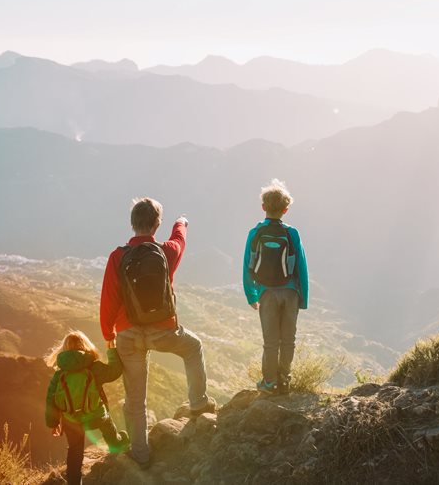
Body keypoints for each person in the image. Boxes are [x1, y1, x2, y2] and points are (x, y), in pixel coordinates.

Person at [100, 197, 215, 469]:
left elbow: (109, 299)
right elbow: (180, 239)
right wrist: (181, 222)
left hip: (127, 334)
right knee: (193, 348)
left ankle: (140, 454)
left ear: (132, 224)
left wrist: (108, 335)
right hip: (163, 329)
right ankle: (198, 402)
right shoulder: (165, 252)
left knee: (135, 399)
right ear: (156, 224)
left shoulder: (118, 256)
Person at [243, 179, 309, 395]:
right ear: (286, 209)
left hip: (266, 292)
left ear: (263, 207)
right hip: (290, 293)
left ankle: (269, 383)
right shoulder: (293, 233)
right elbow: (301, 266)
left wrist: (251, 295)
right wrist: (303, 297)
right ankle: (285, 381)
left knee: (270, 341)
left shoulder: (255, 233)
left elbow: (247, 266)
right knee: (288, 339)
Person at [44, 330, 130, 485]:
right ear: (86, 346)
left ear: (64, 349)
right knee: (108, 426)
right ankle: (116, 444)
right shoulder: (94, 367)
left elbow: (50, 399)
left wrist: (53, 423)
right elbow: (114, 371)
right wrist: (111, 349)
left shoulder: (60, 373)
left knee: (75, 450)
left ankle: (74, 481)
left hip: (71, 421)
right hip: (96, 416)